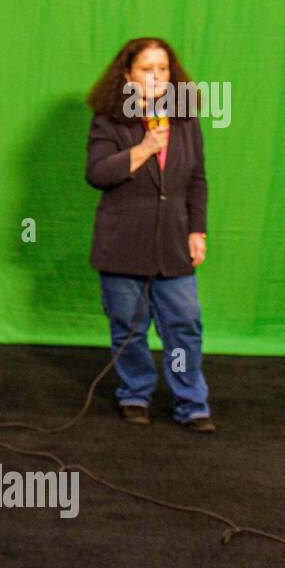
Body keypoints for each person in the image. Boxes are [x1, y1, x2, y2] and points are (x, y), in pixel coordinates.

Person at [85, 37, 215, 433]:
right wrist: (143, 149)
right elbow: (97, 174)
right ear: (127, 76)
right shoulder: (109, 119)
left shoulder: (185, 119)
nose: (156, 76)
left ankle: (191, 402)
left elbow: (197, 179)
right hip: (123, 243)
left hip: (175, 243)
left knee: (185, 323)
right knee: (128, 326)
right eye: (146, 69)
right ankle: (136, 393)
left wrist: (197, 230)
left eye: (163, 69)